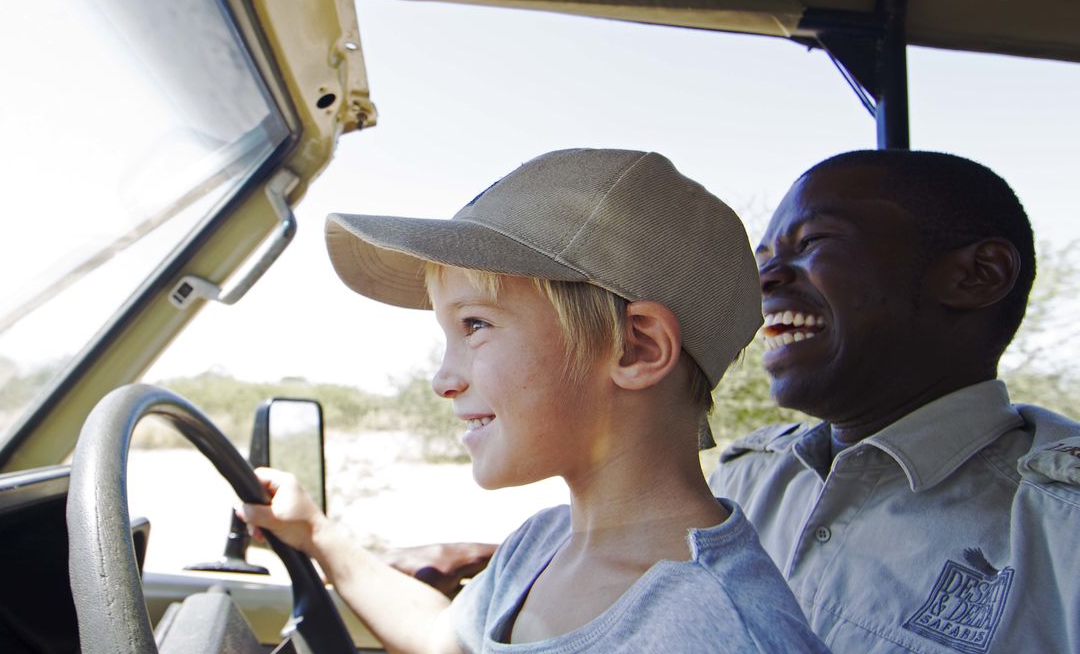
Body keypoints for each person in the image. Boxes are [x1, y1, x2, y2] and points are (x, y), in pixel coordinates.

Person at [240, 149, 828, 652]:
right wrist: (317, 534)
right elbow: (446, 637)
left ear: (637, 348)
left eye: (474, 325)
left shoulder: (714, 628)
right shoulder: (545, 542)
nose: (443, 379)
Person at [709, 149, 1080, 654]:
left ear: (978, 275)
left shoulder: (1061, 529)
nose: (765, 279)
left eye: (812, 241)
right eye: (763, 258)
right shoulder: (743, 483)